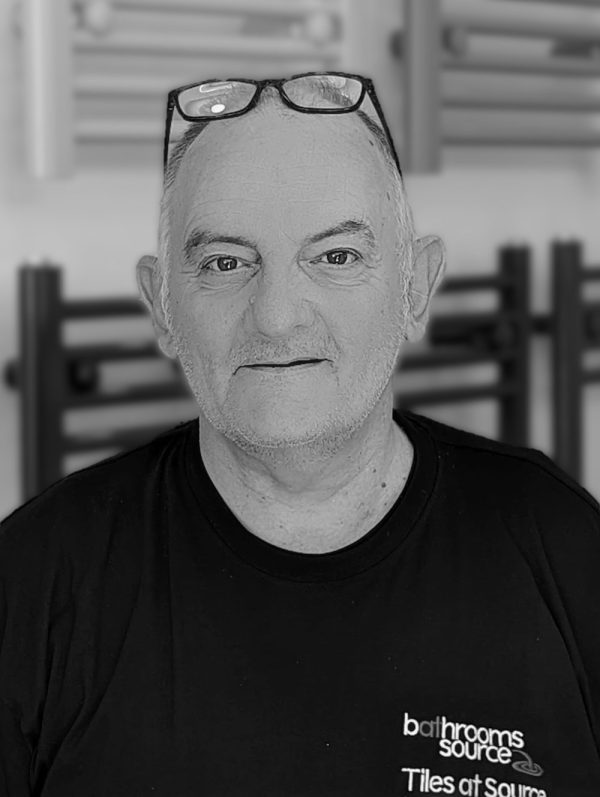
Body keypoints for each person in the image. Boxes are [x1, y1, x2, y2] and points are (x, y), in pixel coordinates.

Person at [1, 72, 599, 797]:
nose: (278, 316)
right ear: (162, 307)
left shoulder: (559, 539)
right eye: (226, 262)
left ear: (416, 287)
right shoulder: (34, 580)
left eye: (336, 257)